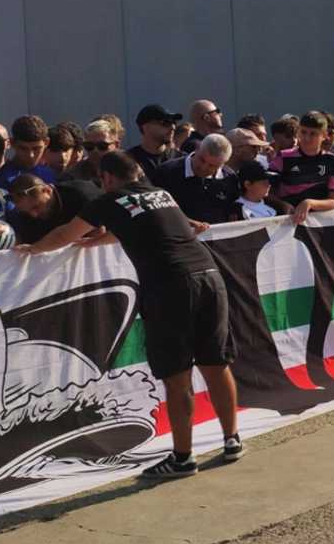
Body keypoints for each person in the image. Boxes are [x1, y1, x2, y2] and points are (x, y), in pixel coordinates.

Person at [16, 150, 242, 477]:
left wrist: (33, 249)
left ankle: (182, 458)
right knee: (215, 364)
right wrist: (102, 241)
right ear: (136, 172)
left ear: (106, 178)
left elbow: (65, 234)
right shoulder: (161, 194)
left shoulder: (107, 201)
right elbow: (146, 226)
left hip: (169, 286)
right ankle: (232, 439)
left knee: (177, 375)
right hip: (209, 276)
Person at [268, 112, 334, 224]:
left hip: (321, 224)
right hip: (287, 224)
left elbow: (333, 201)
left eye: (313, 134)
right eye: (303, 132)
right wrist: (282, 205)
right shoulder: (283, 157)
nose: (307, 138)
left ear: (324, 135)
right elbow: (267, 193)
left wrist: (309, 203)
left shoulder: (333, 161)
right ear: (298, 132)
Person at [153, 133, 242, 225]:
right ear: (197, 149)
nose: (203, 168)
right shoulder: (167, 171)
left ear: (223, 164)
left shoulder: (229, 178)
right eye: (201, 159)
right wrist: (188, 223)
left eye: (212, 166)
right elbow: (156, 210)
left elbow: (233, 211)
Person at [8, 173, 103, 243]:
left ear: (48, 190)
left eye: (36, 207)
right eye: (27, 211)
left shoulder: (81, 195)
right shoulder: (25, 216)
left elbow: (99, 234)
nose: (34, 215)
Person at [0, 115, 55, 191]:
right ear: (12, 143)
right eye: (23, 149)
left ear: (46, 143)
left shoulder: (50, 173)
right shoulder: (2, 179)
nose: (31, 155)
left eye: (36, 148)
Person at [128, 104, 184, 180]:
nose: (173, 127)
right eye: (165, 122)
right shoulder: (129, 160)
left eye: (174, 123)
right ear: (146, 127)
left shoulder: (181, 159)